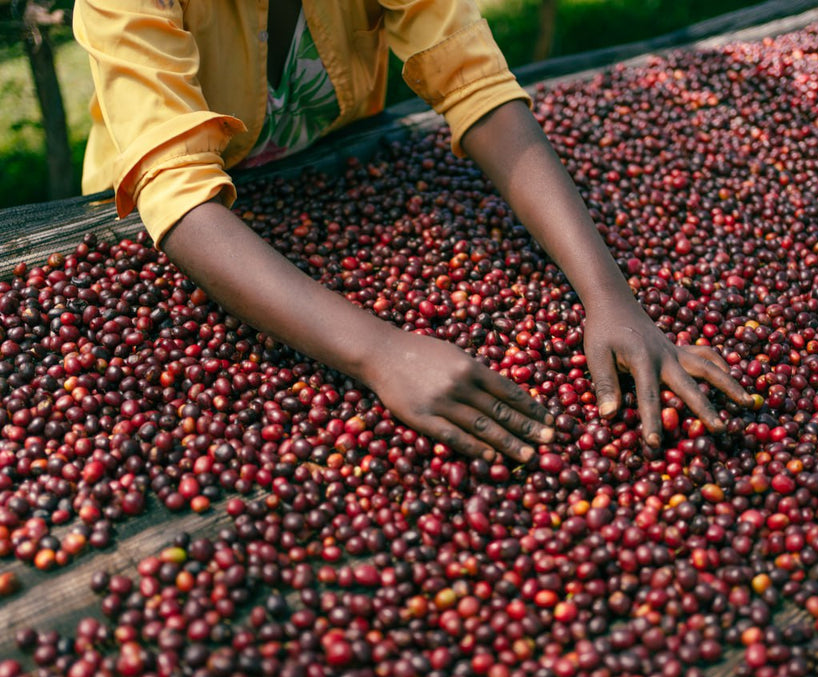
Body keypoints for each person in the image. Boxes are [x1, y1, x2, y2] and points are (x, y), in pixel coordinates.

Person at [73, 0, 752, 464]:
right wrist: (381, 353)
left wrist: (610, 297)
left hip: (335, 172)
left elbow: (471, 81)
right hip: (197, 235)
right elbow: (175, 189)